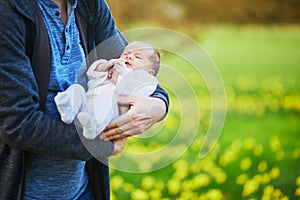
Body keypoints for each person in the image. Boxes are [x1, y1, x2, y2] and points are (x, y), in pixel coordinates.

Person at [0, 0, 169, 200]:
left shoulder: (90, 5)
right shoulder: (7, 13)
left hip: (83, 190)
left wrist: (158, 104)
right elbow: (17, 123)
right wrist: (101, 145)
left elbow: (132, 64)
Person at [55, 41, 161, 140]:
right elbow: (93, 74)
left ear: (149, 73)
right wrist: (106, 66)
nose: (129, 56)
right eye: (126, 54)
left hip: (107, 111)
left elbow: (129, 95)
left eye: (137, 57)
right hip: (89, 99)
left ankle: (93, 127)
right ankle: (68, 110)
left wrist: (119, 79)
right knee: (76, 89)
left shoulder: (145, 83)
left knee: (104, 112)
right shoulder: (113, 69)